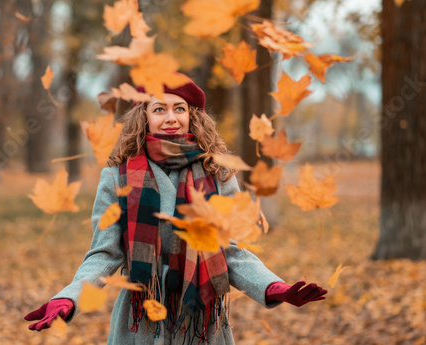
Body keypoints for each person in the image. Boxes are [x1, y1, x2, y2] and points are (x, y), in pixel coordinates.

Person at [24, 74, 327, 344]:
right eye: (159, 109)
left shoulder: (218, 174)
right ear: (144, 117)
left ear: (192, 116)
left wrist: (272, 287)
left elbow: (230, 252)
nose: (171, 117)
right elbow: (105, 254)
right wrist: (69, 297)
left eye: (179, 108)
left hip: (201, 324)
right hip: (140, 320)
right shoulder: (116, 178)